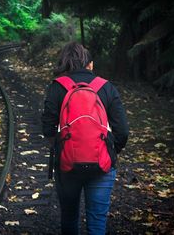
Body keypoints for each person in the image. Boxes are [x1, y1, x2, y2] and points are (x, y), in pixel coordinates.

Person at [42, 41, 129, 235]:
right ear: (90, 64)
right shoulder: (106, 87)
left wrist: (65, 147)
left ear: (65, 64)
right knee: (97, 220)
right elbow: (122, 131)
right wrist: (109, 150)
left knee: (69, 216)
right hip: (102, 165)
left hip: (67, 166)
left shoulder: (56, 87)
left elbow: (48, 130)